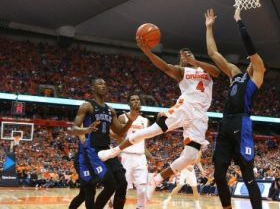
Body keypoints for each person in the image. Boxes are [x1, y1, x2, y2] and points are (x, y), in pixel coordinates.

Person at [98, 33, 220, 190]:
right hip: (186, 107)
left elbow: (217, 71)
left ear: (194, 56)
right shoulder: (181, 71)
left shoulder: (206, 70)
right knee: (151, 131)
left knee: (190, 157)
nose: (185, 56)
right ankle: (114, 151)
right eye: (182, 55)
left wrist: (195, 62)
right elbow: (164, 66)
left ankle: (157, 179)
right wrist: (147, 52)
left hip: (201, 115)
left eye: (188, 53)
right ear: (180, 60)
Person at [204, 8, 266, 209]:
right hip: (226, 123)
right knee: (218, 175)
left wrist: (239, 20)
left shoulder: (257, 76)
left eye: (252, 58)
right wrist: (209, 28)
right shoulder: (234, 73)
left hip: (242, 122)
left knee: (248, 177)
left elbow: (250, 46)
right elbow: (213, 53)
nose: (250, 59)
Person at [69, 78, 138, 209]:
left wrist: (130, 121)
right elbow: (73, 129)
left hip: (106, 149)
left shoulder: (110, 110)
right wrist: (86, 129)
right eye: (100, 84)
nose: (103, 86)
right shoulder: (87, 106)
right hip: (92, 151)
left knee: (122, 182)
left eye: (105, 84)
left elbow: (119, 133)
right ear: (93, 88)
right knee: (108, 185)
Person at [111, 94, 154, 209]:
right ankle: (111, 205)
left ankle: (140, 207)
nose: (136, 101)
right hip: (126, 156)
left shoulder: (146, 121)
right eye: (133, 100)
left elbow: (142, 142)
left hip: (140, 157)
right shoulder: (122, 117)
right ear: (129, 103)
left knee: (142, 188)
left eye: (138, 100)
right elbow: (118, 137)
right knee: (121, 187)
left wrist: (150, 156)